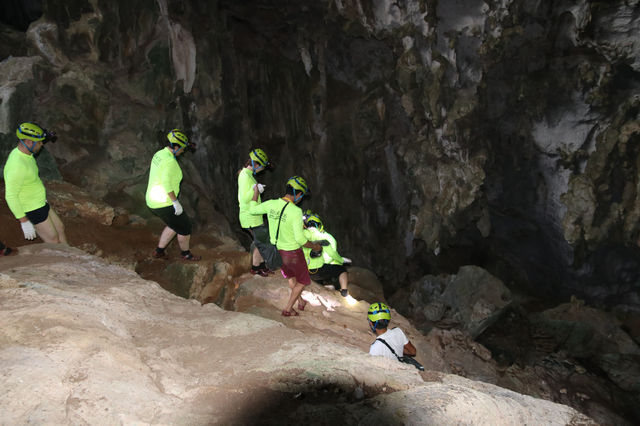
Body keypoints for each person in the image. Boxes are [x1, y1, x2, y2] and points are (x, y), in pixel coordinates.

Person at [248, 176, 322, 316]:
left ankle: (300, 301)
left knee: (291, 277)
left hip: (278, 251)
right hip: (293, 253)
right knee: (303, 280)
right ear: (298, 193)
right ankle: (288, 309)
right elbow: (300, 239)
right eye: (301, 195)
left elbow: (252, 209)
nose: (301, 198)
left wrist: (256, 192)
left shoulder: (271, 204)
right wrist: (314, 247)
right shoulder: (295, 211)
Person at [3, 122, 67, 244]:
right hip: (32, 208)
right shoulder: (16, 166)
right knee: (53, 240)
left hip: (40, 202)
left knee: (60, 228)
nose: (41, 144)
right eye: (38, 142)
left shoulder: (27, 154)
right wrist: (24, 221)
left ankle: (72, 257)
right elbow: (10, 196)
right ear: (28, 142)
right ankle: (58, 262)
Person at [145, 129, 201, 261]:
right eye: (182, 148)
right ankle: (186, 254)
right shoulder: (170, 162)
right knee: (185, 227)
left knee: (174, 223)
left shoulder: (159, 154)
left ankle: (159, 251)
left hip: (152, 198)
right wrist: (175, 202)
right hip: (164, 202)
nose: (183, 151)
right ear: (175, 147)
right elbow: (166, 183)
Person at [237, 148, 276, 276]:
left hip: (254, 216)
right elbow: (244, 198)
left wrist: (256, 188)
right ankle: (256, 268)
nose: (261, 170)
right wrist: (256, 189)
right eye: (261, 167)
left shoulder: (248, 175)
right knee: (262, 242)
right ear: (255, 164)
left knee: (261, 242)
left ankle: (260, 266)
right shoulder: (244, 175)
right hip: (250, 216)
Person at [302, 212, 352, 297]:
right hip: (317, 270)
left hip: (303, 271)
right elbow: (332, 254)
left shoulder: (301, 235)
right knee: (341, 270)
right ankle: (344, 292)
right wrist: (341, 260)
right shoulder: (323, 238)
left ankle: (325, 287)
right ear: (319, 225)